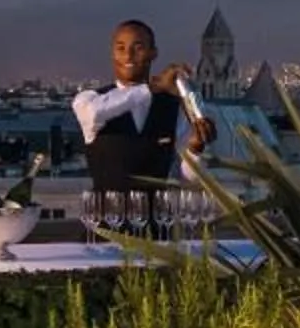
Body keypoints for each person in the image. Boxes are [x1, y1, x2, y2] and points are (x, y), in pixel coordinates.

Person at [71, 18, 214, 205]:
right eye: (120, 48)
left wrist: (196, 148)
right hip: (105, 228)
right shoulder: (89, 99)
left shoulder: (172, 107)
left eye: (137, 48)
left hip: (155, 229)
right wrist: (152, 88)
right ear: (113, 54)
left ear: (153, 53)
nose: (128, 55)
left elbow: (190, 176)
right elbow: (95, 113)